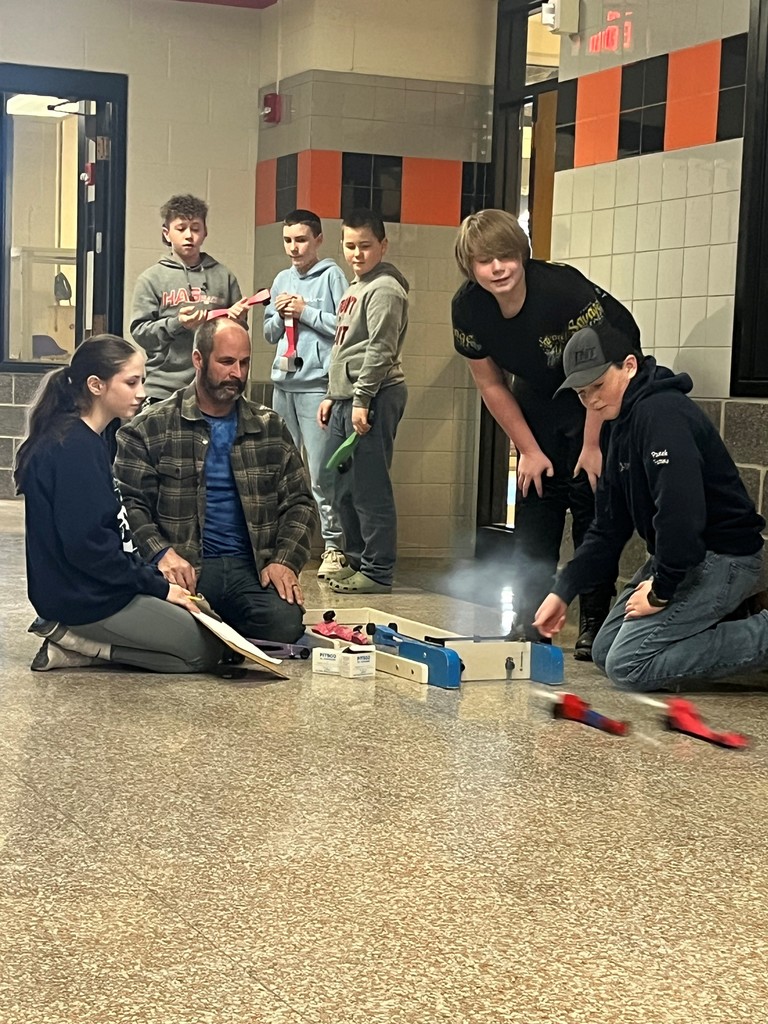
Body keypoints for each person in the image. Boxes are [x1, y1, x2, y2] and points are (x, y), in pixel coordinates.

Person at [533, 324, 768, 692]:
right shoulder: (620, 423)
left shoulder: (661, 414)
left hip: (723, 558)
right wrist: (563, 589)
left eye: (597, 386)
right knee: (604, 650)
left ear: (629, 365)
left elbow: (681, 513)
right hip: (680, 556)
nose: (591, 400)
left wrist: (662, 589)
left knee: (629, 664)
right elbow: (608, 527)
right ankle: (703, 622)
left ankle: (762, 637)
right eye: (581, 393)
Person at [452, 209, 641, 660]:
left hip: (600, 383)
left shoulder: (562, 290)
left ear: (521, 255)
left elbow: (598, 376)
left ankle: (593, 617)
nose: (497, 268)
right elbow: (490, 383)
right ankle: (529, 616)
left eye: (505, 257)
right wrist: (528, 450)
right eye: (484, 261)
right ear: (470, 266)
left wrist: (594, 445)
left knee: (589, 499)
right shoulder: (468, 307)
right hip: (538, 389)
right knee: (537, 499)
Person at [14, 335, 226, 674]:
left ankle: (84, 643)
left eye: (141, 380)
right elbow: (89, 549)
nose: (141, 391)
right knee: (203, 651)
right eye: (131, 382)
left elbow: (109, 538)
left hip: (99, 585)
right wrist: (158, 586)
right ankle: (78, 644)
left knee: (209, 626)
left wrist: (153, 582)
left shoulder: (90, 438)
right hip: (82, 598)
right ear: (96, 385)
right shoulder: (73, 449)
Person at [115, 318, 317, 643]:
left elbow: (300, 505)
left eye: (244, 362)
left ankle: (215, 630)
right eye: (226, 362)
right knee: (171, 628)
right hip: (187, 565)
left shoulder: (270, 428)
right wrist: (161, 554)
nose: (237, 373)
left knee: (285, 625)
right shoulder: (149, 428)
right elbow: (129, 504)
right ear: (198, 360)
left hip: (250, 567)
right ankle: (211, 630)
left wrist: (284, 562)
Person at [317, 208, 409, 595]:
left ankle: (376, 570)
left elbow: (380, 350)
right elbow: (344, 348)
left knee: (370, 487)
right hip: (347, 398)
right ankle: (355, 560)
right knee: (340, 485)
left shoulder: (385, 288)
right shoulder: (356, 288)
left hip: (375, 396)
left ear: (383, 246)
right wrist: (331, 394)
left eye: (366, 246)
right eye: (350, 245)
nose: (357, 253)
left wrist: (360, 399)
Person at [263, 209, 349, 579]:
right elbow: (269, 333)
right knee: (278, 469)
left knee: (319, 473)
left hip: (317, 388)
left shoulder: (332, 277)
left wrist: (305, 312)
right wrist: (279, 313)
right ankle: (280, 544)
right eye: (287, 240)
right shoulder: (282, 278)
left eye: (301, 240)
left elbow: (345, 327)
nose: (294, 248)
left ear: (317, 240)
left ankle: (334, 547)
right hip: (284, 386)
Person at [130, 194, 247, 403]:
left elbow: (238, 337)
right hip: (165, 389)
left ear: (205, 232)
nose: (189, 235)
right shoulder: (151, 279)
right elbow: (141, 333)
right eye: (181, 228)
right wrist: (177, 324)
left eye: (195, 228)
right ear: (166, 234)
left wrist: (237, 321)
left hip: (216, 388)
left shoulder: (224, 276)